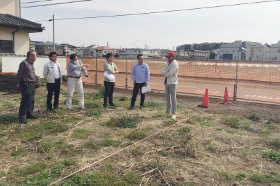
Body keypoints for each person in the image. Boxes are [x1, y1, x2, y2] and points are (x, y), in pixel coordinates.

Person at [17, 51, 38, 124]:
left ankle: (29, 114)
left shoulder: (31, 63)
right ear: (31, 56)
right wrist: (19, 82)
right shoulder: (24, 63)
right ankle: (21, 117)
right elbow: (20, 73)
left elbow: (32, 72)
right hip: (26, 83)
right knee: (25, 100)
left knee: (31, 100)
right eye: (35, 56)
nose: (36, 57)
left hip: (32, 83)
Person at [161, 52, 179, 120]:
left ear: (172, 57)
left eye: (168, 57)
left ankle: (174, 113)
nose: (167, 58)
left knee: (173, 98)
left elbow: (170, 74)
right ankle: (168, 111)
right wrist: (167, 72)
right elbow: (162, 71)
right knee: (167, 97)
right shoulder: (167, 63)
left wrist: (166, 72)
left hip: (173, 82)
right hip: (167, 82)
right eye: (167, 57)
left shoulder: (175, 64)